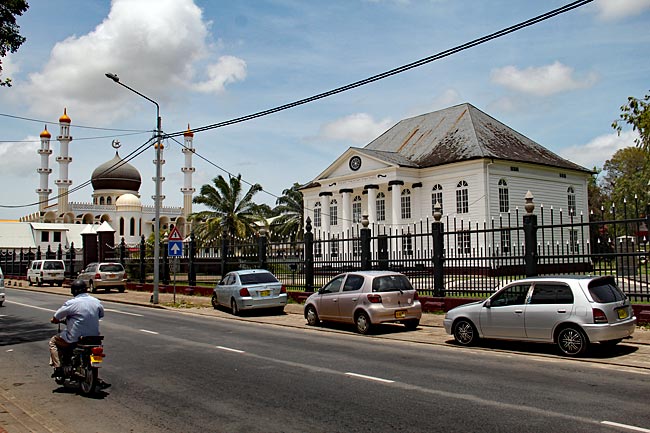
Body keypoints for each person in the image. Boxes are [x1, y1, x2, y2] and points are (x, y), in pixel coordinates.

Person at [49, 279, 105, 377]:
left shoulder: (72, 303)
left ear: (73, 291)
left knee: (53, 341)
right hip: (94, 338)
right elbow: (101, 315)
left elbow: (57, 316)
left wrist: (55, 320)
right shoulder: (96, 301)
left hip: (76, 337)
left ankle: (58, 368)